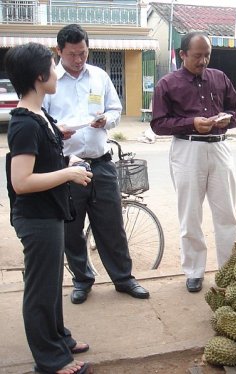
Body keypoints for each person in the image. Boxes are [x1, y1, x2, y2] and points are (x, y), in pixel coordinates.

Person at [43, 24, 149, 304]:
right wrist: (57, 132)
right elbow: (41, 121)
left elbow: (116, 109)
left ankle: (124, 278)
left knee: (111, 225)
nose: (79, 60)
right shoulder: (49, 81)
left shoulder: (99, 76)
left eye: (83, 53)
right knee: (71, 229)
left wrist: (108, 120)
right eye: (72, 54)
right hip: (67, 167)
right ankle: (82, 279)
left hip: (101, 164)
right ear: (59, 51)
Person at [6, 43, 93, 374]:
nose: (57, 73)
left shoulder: (41, 115)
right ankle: (51, 361)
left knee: (52, 284)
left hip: (50, 213)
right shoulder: (24, 123)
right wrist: (68, 174)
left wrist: (68, 161)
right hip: (36, 218)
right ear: (40, 77)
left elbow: (44, 159)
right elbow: (22, 181)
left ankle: (59, 340)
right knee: (40, 290)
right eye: (53, 68)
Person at [150, 31, 236, 293]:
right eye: (197, 56)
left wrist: (227, 119)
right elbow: (158, 124)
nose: (203, 61)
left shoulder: (219, 77)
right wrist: (191, 123)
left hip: (220, 148)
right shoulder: (167, 84)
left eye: (207, 55)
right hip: (187, 149)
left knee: (227, 214)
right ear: (182, 55)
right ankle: (193, 271)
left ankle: (229, 271)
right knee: (190, 215)